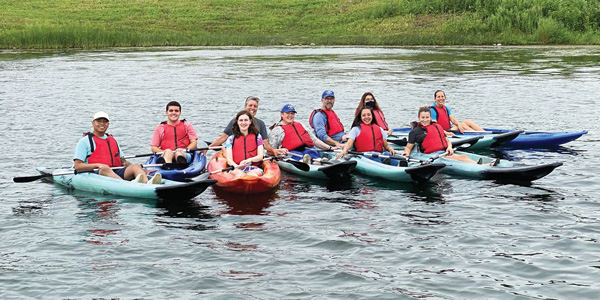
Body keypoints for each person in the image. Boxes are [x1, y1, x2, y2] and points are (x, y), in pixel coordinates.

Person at [74, 112, 161, 184]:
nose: (102, 124)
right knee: (105, 168)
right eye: (99, 121)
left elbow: (123, 161)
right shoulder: (84, 141)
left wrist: (141, 170)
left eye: (105, 122)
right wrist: (98, 165)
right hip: (96, 173)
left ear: (108, 124)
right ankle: (126, 186)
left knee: (136, 166)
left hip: (115, 171)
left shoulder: (112, 140)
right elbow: (77, 166)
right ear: (93, 123)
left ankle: (146, 183)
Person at [402, 106, 498, 165]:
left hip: (444, 152)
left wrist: (449, 147)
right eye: (423, 117)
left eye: (427, 117)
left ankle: (481, 164)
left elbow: (446, 139)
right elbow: (408, 147)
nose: (425, 120)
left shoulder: (437, 126)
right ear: (419, 118)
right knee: (461, 158)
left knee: (463, 156)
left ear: (430, 117)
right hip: (432, 155)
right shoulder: (415, 132)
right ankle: (483, 166)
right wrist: (406, 153)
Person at [209, 96, 284, 156]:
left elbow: (265, 144)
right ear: (245, 106)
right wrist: (209, 148)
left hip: (252, 155)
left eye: (255, 106)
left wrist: (273, 151)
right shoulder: (235, 121)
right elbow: (223, 138)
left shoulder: (260, 123)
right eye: (250, 105)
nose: (252, 108)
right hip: (236, 153)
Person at [269, 104, 339, 164]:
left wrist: (329, 147)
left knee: (312, 152)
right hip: (291, 153)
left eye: (292, 113)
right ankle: (306, 163)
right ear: (282, 114)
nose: (290, 116)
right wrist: (279, 152)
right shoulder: (277, 130)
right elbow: (271, 150)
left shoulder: (301, 125)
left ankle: (319, 162)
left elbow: (314, 140)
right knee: (299, 157)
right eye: (288, 113)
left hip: (306, 150)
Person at [223, 110, 265, 177]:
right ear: (237, 122)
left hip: (253, 168)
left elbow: (260, 156)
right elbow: (229, 160)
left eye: (246, 120)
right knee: (240, 175)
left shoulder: (258, 137)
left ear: (250, 121)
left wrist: (249, 160)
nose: (243, 123)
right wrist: (236, 166)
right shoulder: (231, 139)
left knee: (252, 175)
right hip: (236, 168)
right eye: (241, 120)